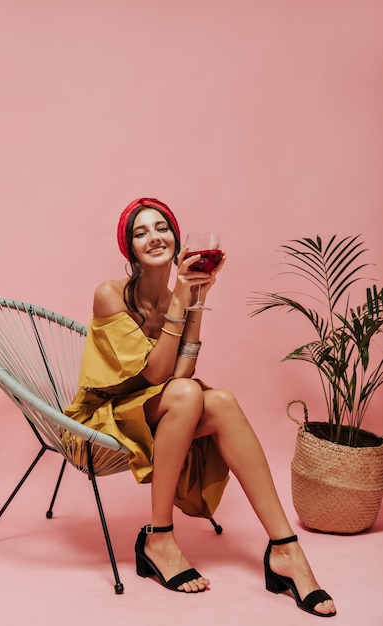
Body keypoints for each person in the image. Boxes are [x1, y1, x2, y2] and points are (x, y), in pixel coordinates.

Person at [65, 197, 336, 617]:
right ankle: (159, 537)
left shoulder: (181, 292)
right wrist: (182, 303)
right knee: (188, 395)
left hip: (159, 406)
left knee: (223, 401)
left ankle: (286, 550)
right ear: (129, 249)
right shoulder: (109, 293)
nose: (154, 237)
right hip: (105, 415)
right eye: (141, 232)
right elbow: (158, 376)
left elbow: (183, 371)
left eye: (162, 228)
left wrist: (196, 297)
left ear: (176, 237)